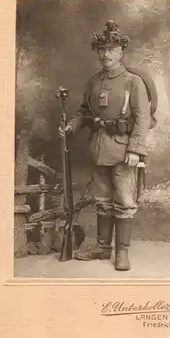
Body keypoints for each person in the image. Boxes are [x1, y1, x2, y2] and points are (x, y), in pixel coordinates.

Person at [59, 20, 151, 271]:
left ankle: (122, 252)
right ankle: (102, 247)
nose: (106, 54)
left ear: (121, 52)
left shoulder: (133, 82)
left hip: (123, 152)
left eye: (111, 49)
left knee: (123, 200)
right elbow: (84, 112)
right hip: (98, 150)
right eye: (101, 50)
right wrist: (73, 125)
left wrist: (135, 150)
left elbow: (143, 119)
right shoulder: (94, 81)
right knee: (102, 200)